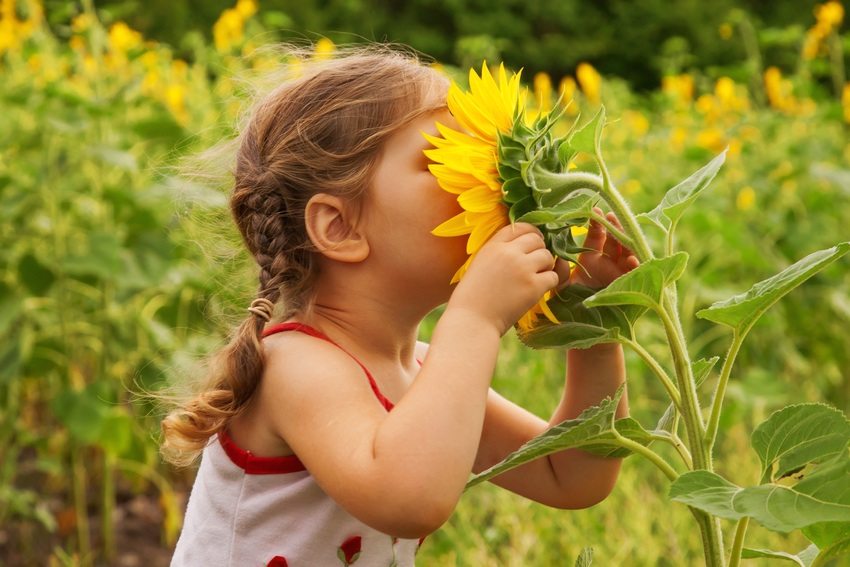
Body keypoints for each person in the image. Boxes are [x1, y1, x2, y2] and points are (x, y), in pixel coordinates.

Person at [162, 45, 637, 567]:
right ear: (339, 228)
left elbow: (569, 474)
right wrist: (474, 322)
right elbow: (409, 501)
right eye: (445, 159)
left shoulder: (422, 370)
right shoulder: (296, 367)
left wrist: (591, 320)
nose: (491, 179)